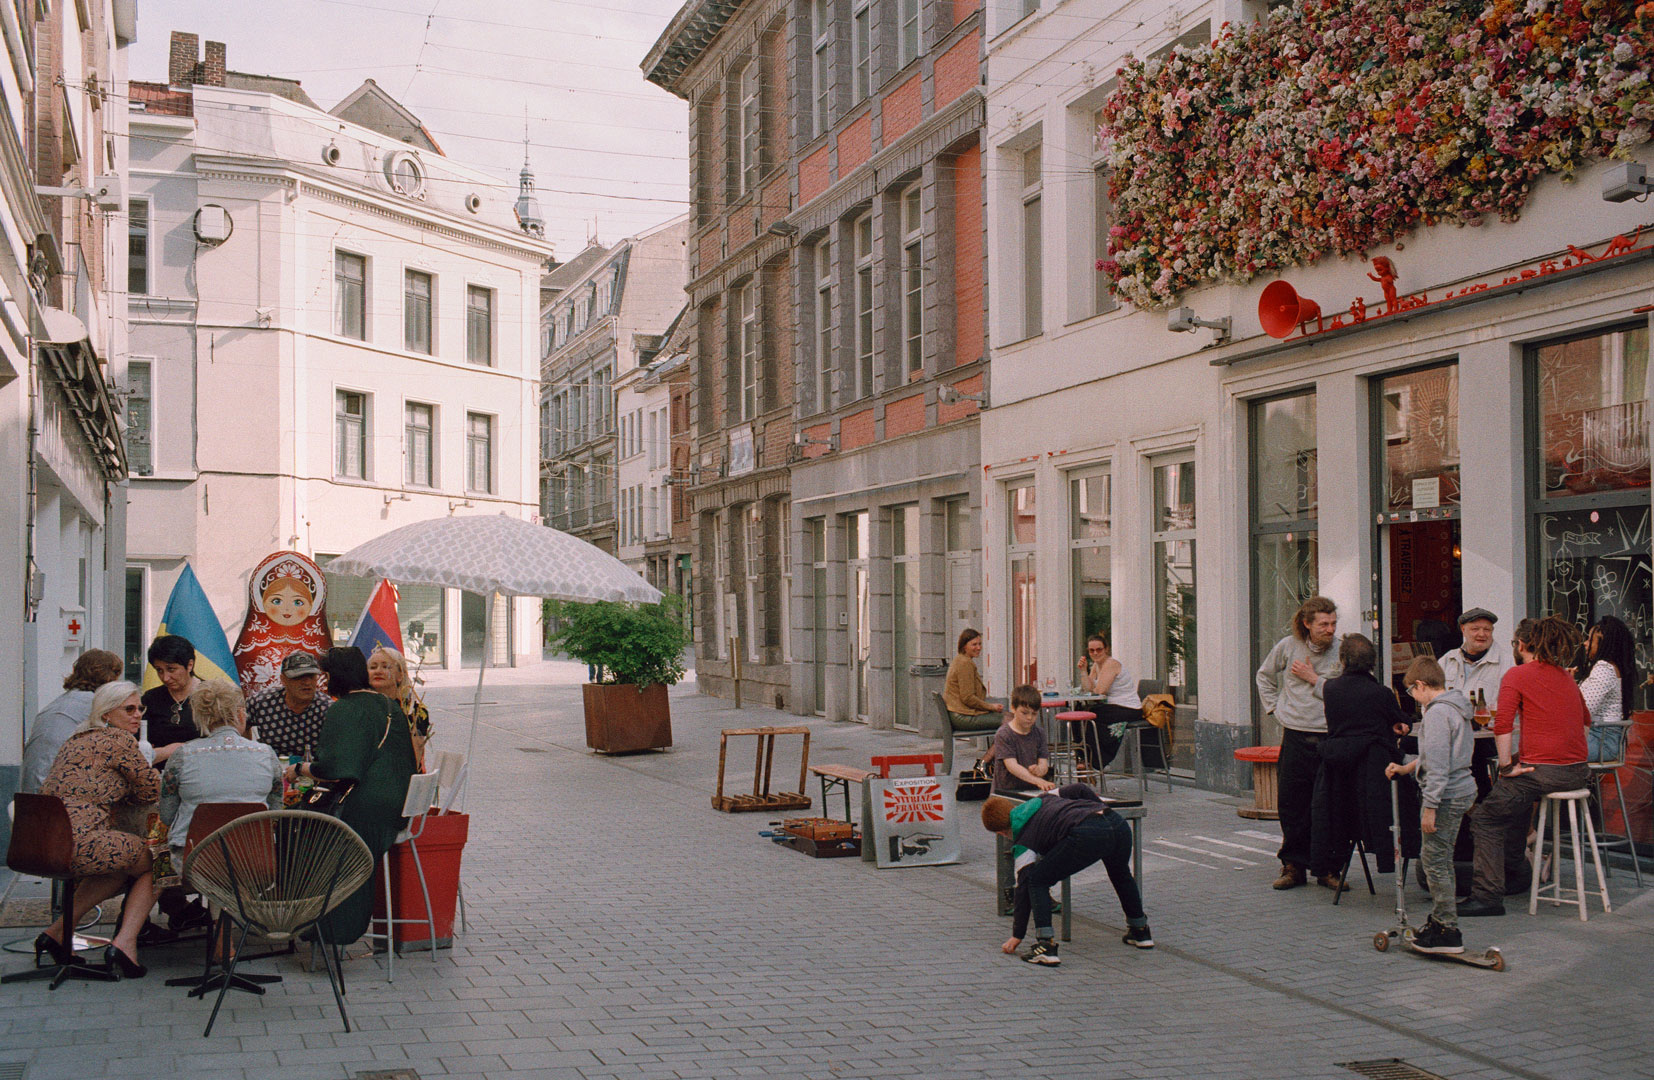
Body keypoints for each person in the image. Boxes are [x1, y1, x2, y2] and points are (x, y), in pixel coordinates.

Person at [285, 647, 417, 945]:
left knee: (306, 831)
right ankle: (317, 920)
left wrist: (299, 769)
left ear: (335, 676)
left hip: (367, 810)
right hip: (396, 805)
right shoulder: (387, 704)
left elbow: (335, 768)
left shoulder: (345, 708)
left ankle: (325, 925)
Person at [1461, 615, 1591, 917]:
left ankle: (1488, 895)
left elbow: (1503, 725)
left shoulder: (1517, 675)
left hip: (1544, 772)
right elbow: (1586, 722)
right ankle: (1516, 871)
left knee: (1486, 819)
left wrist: (1506, 766)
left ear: (1520, 645)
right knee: (1512, 798)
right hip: (1577, 771)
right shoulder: (1565, 675)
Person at [35, 681, 161, 979]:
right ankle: (124, 943)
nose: (137, 715)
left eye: (139, 708)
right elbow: (150, 790)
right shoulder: (119, 740)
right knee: (161, 863)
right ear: (106, 714)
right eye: (128, 709)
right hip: (80, 844)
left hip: (43, 843)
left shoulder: (76, 738)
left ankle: (55, 933)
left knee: (117, 866)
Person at [982, 784, 1153, 965]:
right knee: (1120, 874)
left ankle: (1045, 946)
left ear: (1000, 832)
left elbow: (1023, 887)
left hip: (1086, 833)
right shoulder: (1041, 799)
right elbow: (1079, 789)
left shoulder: (1024, 841)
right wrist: (1097, 809)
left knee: (1037, 880)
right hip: (1117, 823)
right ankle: (1140, 930)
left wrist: (1017, 935)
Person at [1386, 656, 1477, 953]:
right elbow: (1436, 755)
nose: (1412, 698)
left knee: (1434, 861)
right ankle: (1442, 921)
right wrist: (1406, 768)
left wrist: (1430, 806)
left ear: (1421, 685)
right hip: (1462, 788)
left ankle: (1446, 928)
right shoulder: (1458, 707)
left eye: (1412, 691)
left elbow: (1438, 764)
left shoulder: (1437, 714)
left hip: (1447, 793)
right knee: (1442, 858)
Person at [1255, 596, 1341, 890]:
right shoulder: (1288, 646)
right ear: (1307, 624)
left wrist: (1313, 678)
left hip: (1329, 736)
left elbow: (1347, 691)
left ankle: (1327, 867)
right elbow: (1264, 676)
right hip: (1294, 733)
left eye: (1332, 623)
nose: (1329, 630)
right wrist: (1273, 709)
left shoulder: (1342, 651)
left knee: (1329, 804)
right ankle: (1293, 865)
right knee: (1292, 803)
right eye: (1323, 624)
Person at [1313, 634, 1407, 887]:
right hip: (1372, 768)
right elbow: (1399, 721)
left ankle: (1330, 868)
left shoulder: (1330, 689)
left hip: (1338, 763)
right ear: (1372, 662)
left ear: (1343, 660)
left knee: (1335, 816)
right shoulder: (1381, 693)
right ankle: (1391, 858)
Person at [159, 679, 283, 851]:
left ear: (199, 716)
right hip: (253, 859)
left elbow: (167, 815)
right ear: (240, 714)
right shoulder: (266, 754)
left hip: (195, 859)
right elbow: (275, 810)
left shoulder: (182, 756)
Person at [22, 649, 124, 793]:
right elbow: (120, 753)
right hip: (59, 798)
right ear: (111, 678)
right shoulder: (95, 705)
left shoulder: (57, 703)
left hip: (29, 797)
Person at [1439, 608, 1511, 795]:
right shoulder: (1447, 660)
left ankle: (1475, 809)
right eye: (1475, 629)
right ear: (1463, 629)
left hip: (1486, 737)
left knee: (1471, 753)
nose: (1482, 634)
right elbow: (1431, 697)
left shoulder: (1506, 662)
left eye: (1487, 629)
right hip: (1449, 734)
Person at [1073, 632, 1140, 772]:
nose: (1095, 653)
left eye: (1099, 649)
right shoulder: (1096, 665)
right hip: (1113, 707)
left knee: (1088, 715)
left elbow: (1099, 691)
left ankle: (1094, 761)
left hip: (1129, 708)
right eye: (1092, 650)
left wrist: (1092, 688)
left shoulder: (1111, 664)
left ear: (1106, 649)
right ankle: (1085, 758)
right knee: (1077, 715)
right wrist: (1083, 671)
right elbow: (1088, 688)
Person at [246, 651, 333, 758]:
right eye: (298, 677)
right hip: (270, 767)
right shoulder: (261, 702)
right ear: (283, 680)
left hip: (311, 770)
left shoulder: (328, 708)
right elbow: (240, 725)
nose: (306, 682)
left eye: (311, 676)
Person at [367, 646, 434, 770]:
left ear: (400, 675)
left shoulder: (414, 711)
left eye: (385, 666)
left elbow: (416, 756)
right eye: (373, 667)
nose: (378, 671)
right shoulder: (362, 707)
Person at [1580, 616, 1636, 763]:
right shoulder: (1613, 668)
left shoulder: (1604, 668)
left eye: (1590, 639)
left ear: (1603, 643)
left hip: (1599, 742)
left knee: (1543, 748)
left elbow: (1582, 711)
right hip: (1602, 741)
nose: (1585, 643)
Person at [141, 634, 202, 764]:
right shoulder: (151, 699)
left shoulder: (212, 696)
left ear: (189, 665)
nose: (165, 678)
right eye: (159, 670)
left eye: (171, 669)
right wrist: (166, 752)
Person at [990, 685, 1053, 794]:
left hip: (1032, 790)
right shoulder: (1004, 734)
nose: (1029, 718)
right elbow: (1012, 766)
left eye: (1034, 714)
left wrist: (1040, 770)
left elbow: (1043, 762)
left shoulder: (1039, 733)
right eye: (1024, 713)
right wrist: (1038, 780)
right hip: (1007, 792)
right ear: (1013, 708)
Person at [944, 628, 1004, 732]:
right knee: (1013, 721)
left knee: (1010, 718)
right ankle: (999, 748)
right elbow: (967, 697)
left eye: (980, 644)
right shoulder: (965, 663)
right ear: (964, 646)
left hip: (959, 713)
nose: (978, 648)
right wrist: (991, 707)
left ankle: (999, 748)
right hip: (963, 717)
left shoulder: (960, 659)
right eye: (974, 644)